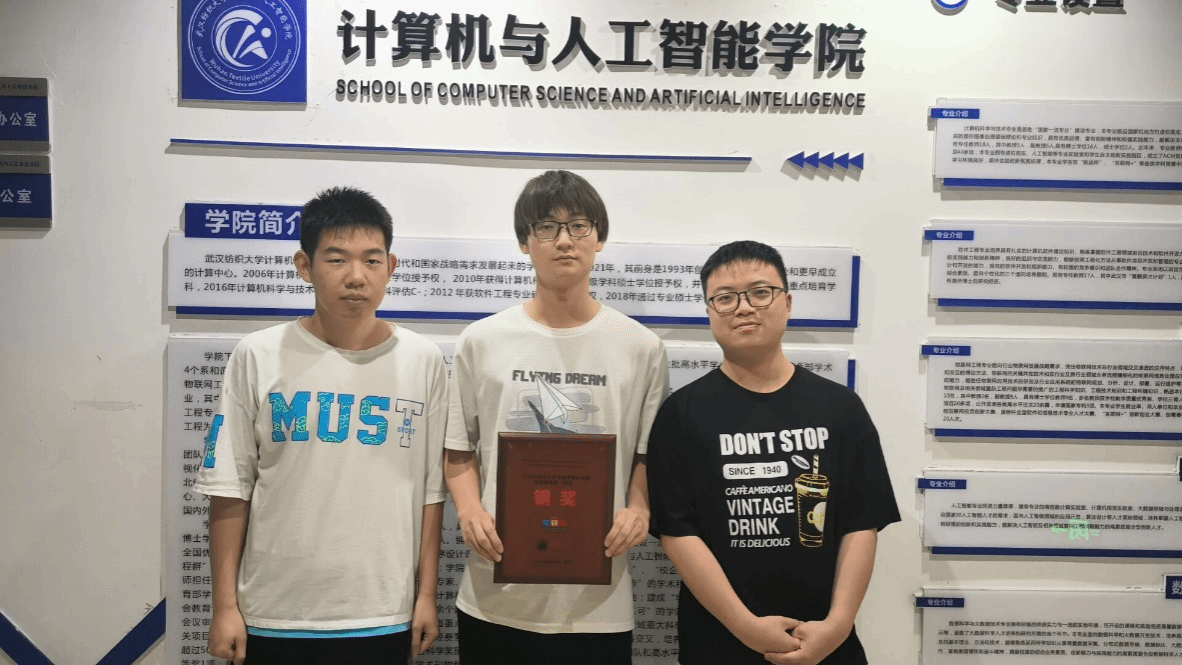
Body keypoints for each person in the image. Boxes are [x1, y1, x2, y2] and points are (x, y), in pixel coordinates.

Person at [194, 186, 447, 664]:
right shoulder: (258, 355)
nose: (356, 277)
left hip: (383, 612)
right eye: (336, 259)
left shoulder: (423, 360)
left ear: (391, 267)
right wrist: (225, 606)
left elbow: (431, 492)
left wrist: (426, 595)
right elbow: (229, 486)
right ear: (304, 266)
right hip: (273, 613)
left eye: (372, 260)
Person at [443, 170, 668, 664]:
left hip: (598, 602)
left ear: (599, 238)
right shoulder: (482, 341)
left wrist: (639, 508)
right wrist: (470, 511)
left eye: (579, 226)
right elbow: (457, 449)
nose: (564, 240)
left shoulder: (641, 347)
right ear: (524, 242)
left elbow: (648, 455)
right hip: (495, 596)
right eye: (546, 227)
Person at [647, 240, 900, 665]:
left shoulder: (840, 408)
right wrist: (745, 625)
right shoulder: (680, 414)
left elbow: (862, 524)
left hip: (826, 640)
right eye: (725, 298)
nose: (744, 308)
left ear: (787, 302)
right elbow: (677, 532)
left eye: (760, 293)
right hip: (718, 640)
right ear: (709, 311)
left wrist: (838, 625)